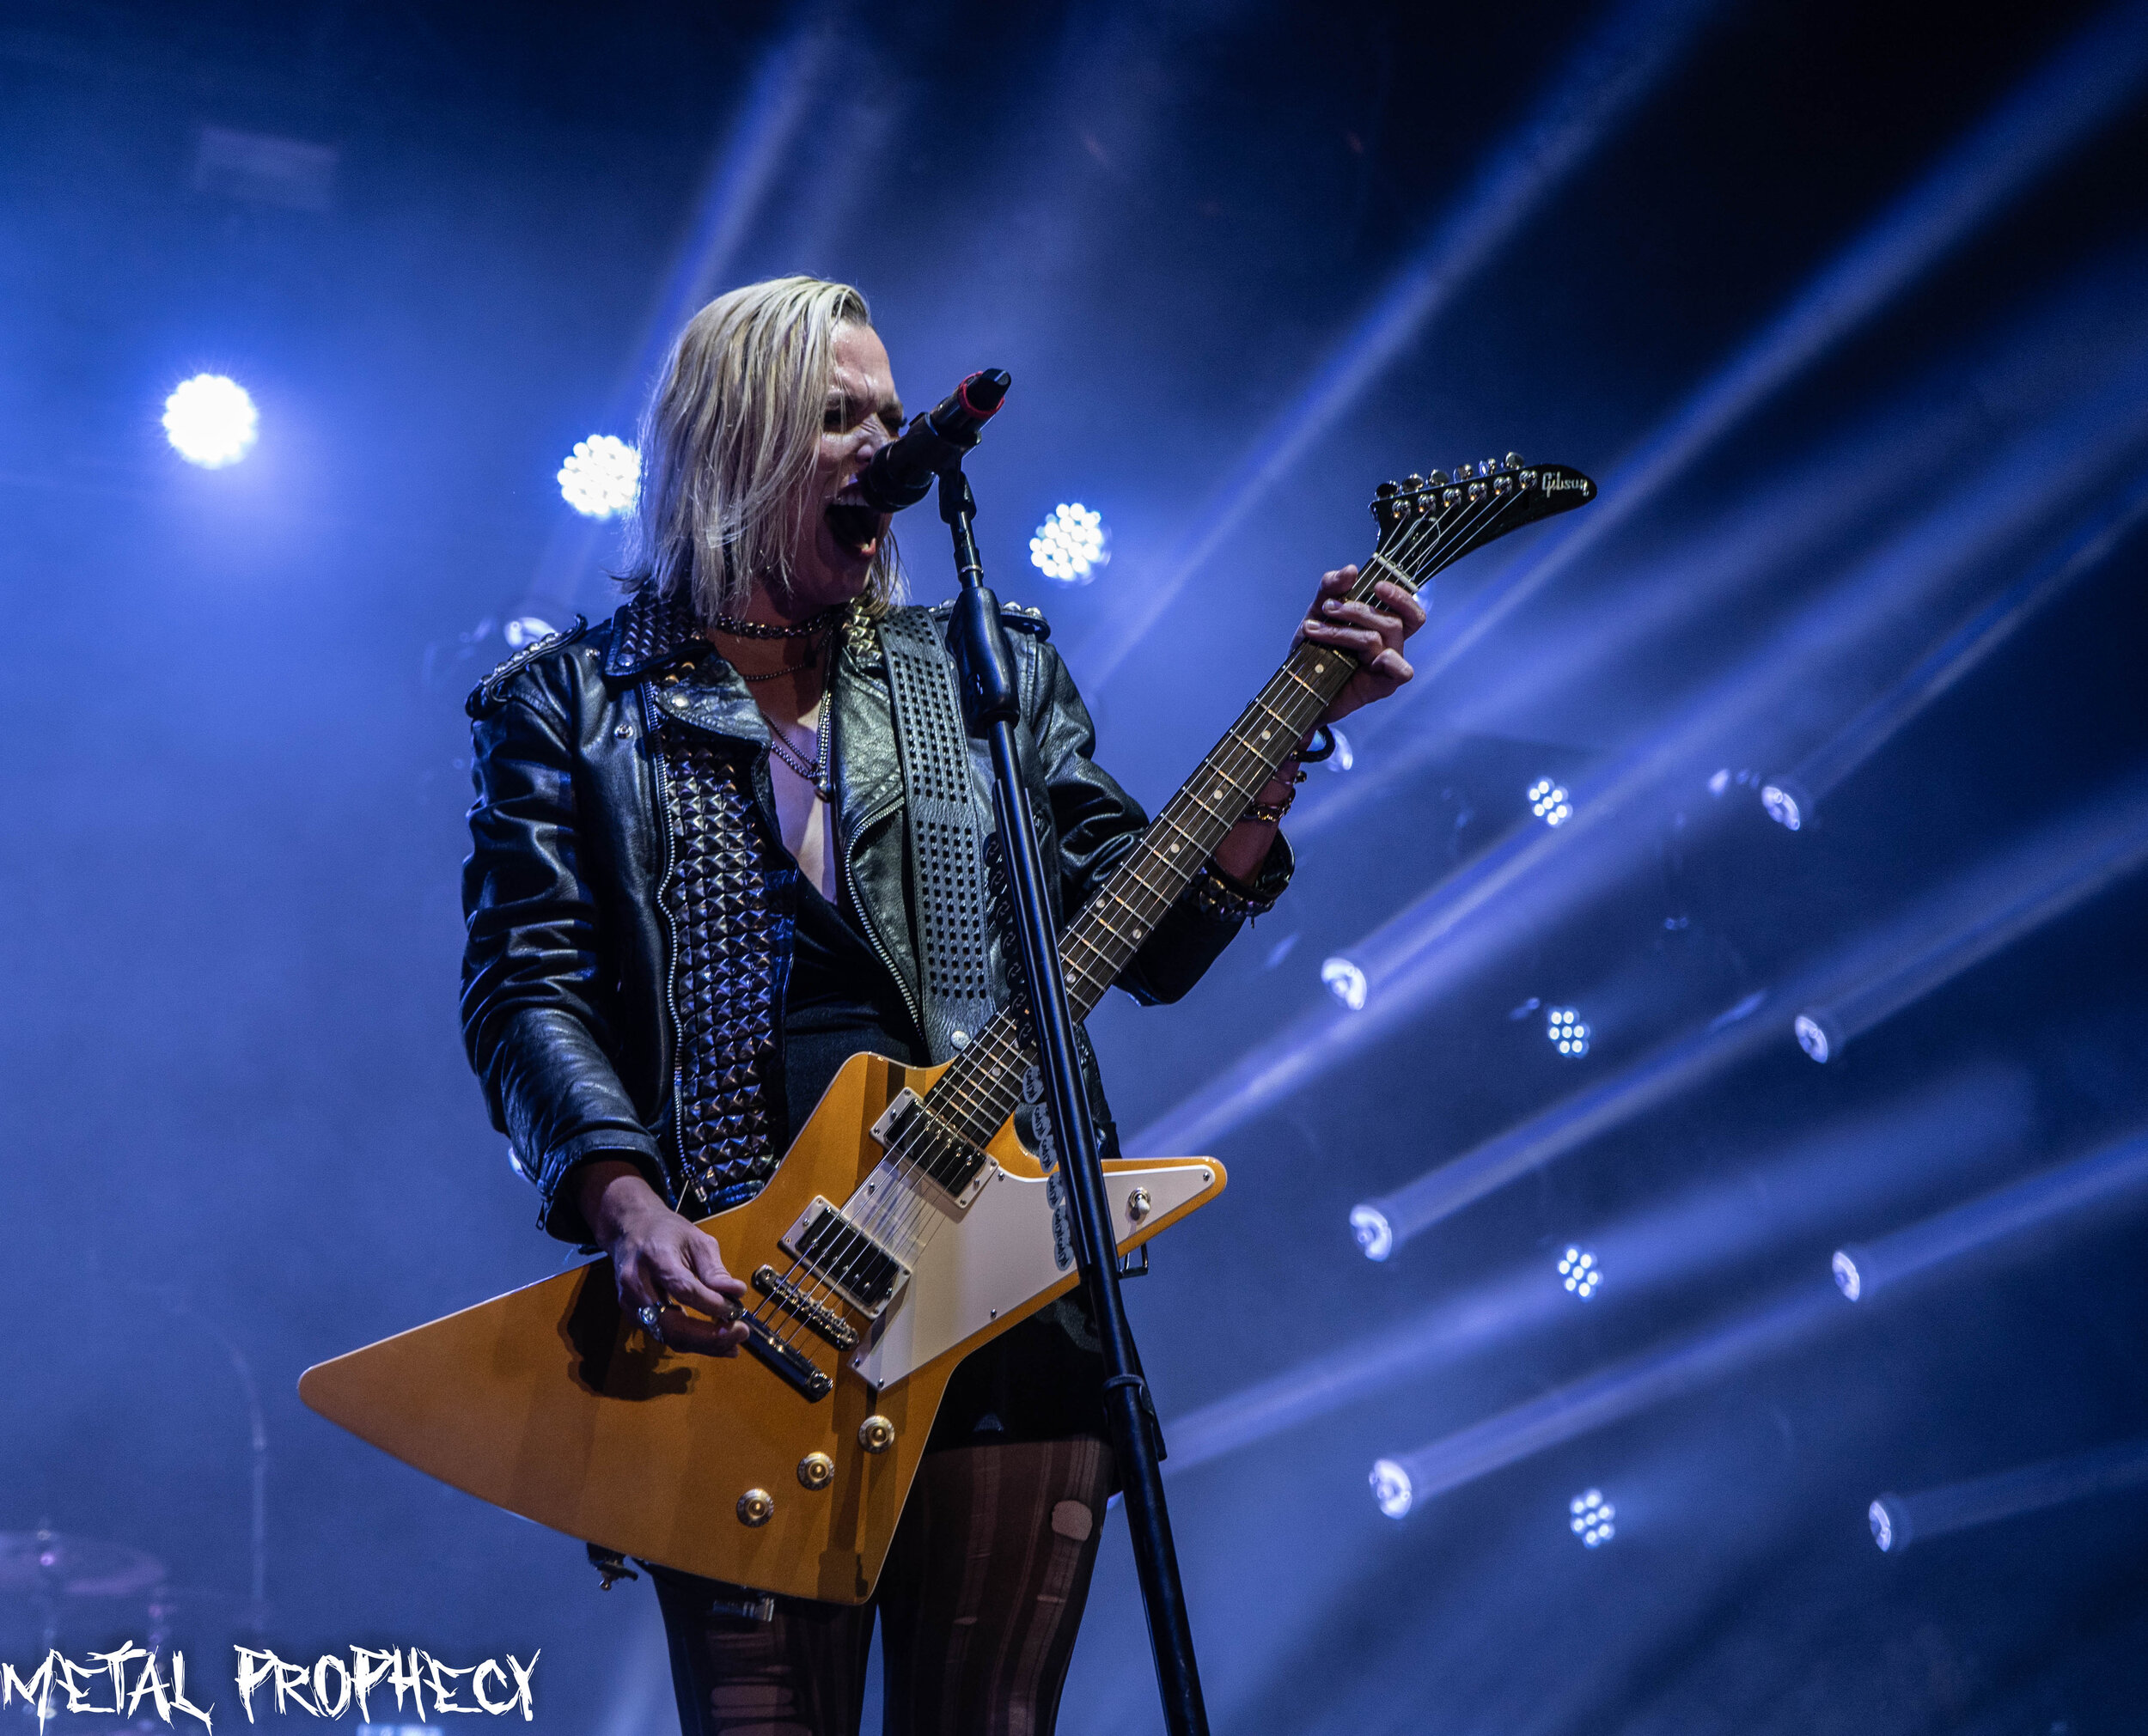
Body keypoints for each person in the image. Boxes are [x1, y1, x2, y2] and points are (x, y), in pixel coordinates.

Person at [459, 275, 1425, 1736]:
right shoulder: (574, 705)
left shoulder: (983, 669)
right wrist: (625, 1203)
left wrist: (1288, 739)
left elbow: (1144, 935)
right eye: (834, 414)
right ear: (732, 441)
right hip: (750, 1306)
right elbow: (526, 986)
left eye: (891, 417)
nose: (879, 444)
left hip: (1003, 1294)